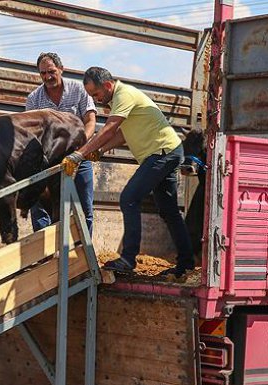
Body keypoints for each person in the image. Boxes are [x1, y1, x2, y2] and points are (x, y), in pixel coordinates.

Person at [63, 66, 194, 277]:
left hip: (162, 152)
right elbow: (123, 133)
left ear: (107, 85)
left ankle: (128, 259)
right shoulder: (117, 100)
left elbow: (110, 128)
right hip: (168, 151)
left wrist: (80, 154)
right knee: (169, 211)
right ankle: (186, 263)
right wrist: (102, 150)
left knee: (129, 198)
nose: (95, 100)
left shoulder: (124, 94)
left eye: (96, 94)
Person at [24, 52, 97, 234]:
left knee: (84, 207)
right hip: (46, 160)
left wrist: (81, 147)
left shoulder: (78, 90)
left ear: (61, 69)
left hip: (79, 156)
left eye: (51, 71)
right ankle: (44, 257)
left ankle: (82, 255)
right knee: (40, 207)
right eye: (43, 73)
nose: (47, 77)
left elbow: (90, 121)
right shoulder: (34, 99)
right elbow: (31, 132)